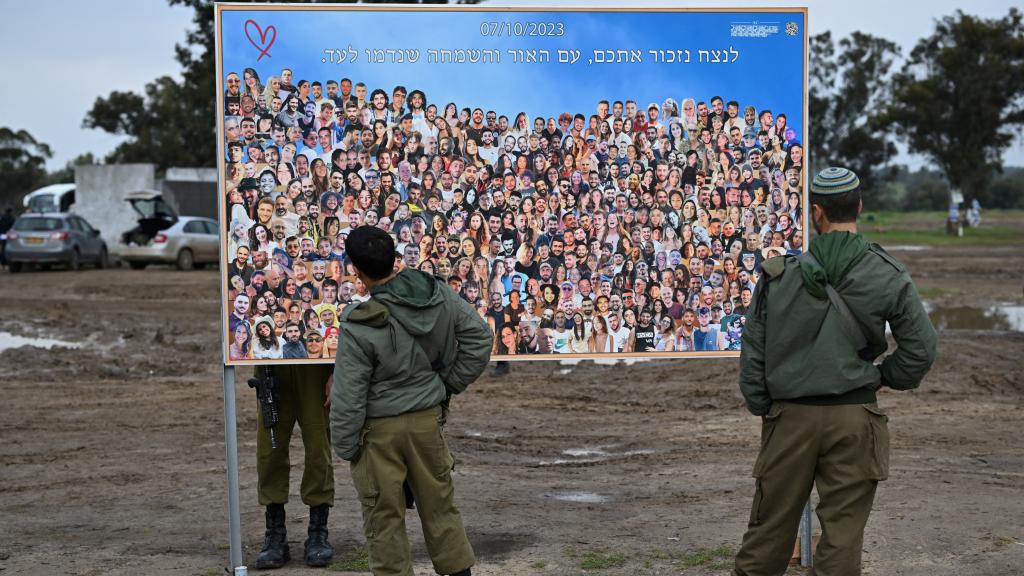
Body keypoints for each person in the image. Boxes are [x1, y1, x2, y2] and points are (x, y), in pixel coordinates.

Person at [732, 167, 937, 575]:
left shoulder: (779, 276)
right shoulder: (888, 272)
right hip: (855, 417)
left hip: (789, 418)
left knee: (768, 533)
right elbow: (921, 349)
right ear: (859, 207)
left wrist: (765, 406)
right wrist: (884, 376)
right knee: (843, 539)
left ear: (816, 213)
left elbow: (752, 353)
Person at [331, 225, 491, 576]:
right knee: (440, 508)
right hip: (426, 421)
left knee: (384, 520)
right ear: (395, 260)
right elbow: (480, 339)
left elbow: (348, 397)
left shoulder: (359, 326)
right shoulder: (437, 294)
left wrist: (346, 447)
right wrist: (446, 385)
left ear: (356, 271)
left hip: (377, 434)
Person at [251, 362, 336, 569]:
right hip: (271, 364)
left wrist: (337, 372)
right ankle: (275, 533)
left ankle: (318, 532)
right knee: (270, 452)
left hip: (316, 366)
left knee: (319, 451)